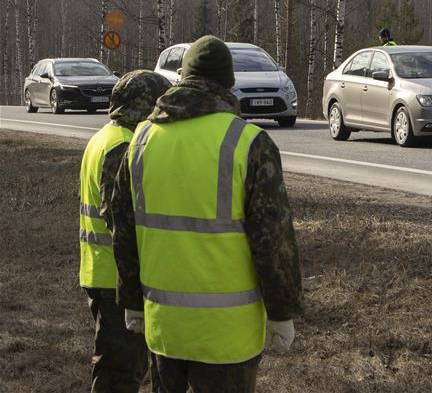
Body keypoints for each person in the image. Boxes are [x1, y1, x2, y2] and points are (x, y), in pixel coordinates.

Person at [109, 35, 303, 393]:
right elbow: (273, 239)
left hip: (164, 328)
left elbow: (123, 228)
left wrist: (132, 300)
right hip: (228, 337)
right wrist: (281, 310)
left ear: (181, 79)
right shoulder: (248, 143)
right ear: (228, 83)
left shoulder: (140, 141)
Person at [79, 69, 170, 393]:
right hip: (115, 280)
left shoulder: (105, 136)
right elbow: (119, 219)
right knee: (120, 373)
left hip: (103, 272)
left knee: (122, 368)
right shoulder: (122, 145)